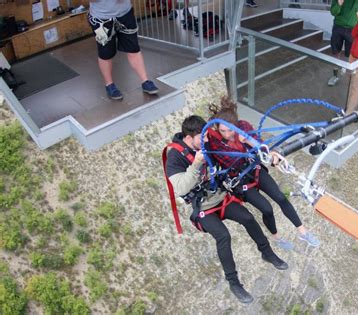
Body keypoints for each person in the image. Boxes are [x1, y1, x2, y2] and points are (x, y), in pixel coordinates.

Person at [164, 115, 288, 304]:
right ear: (189, 137)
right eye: (202, 137)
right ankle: (234, 282)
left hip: (220, 197)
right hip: (203, 206)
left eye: (206, 136)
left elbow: (227, 149)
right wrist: (196, 164)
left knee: (247, 218)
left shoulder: (203, 145)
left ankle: (267, 252)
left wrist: (259, 151)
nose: (206, 140)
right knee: (223, 236)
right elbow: (180, 187)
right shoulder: (175, 156)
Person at [207, 97, 320, 251]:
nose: (227, 134)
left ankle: (302, 231)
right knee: (267, 209)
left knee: (280, 197)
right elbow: (226, 158)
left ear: (236, 125)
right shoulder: (215, 142)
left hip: (254, 169)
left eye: (230, 130)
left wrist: (248, 141)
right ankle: (276, 237)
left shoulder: (244, 127)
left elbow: (261, 146)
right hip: (239, 180)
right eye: (223, 131)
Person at [88, 0, 159, 100]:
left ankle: (145, 81)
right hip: (101, 18)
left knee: (133, 49)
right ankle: (109, 85)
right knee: (106, 53)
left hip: (125, 14)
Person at [327, 0, 358, 86]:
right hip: (338, 28)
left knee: (350, 55)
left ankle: (351, 78)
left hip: (352, 29)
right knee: (335, 52)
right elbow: (333, 12)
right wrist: (339, 3)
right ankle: (335, 76)